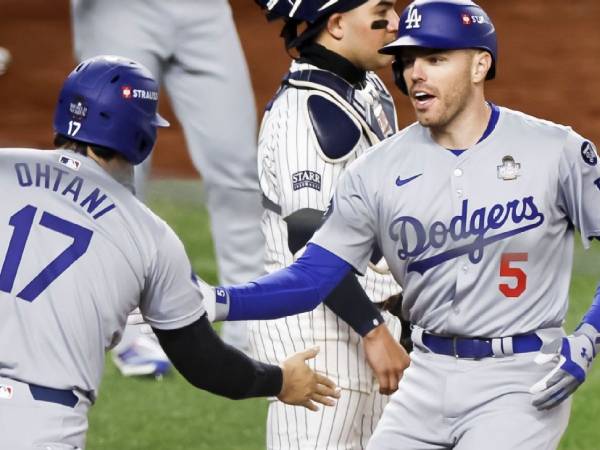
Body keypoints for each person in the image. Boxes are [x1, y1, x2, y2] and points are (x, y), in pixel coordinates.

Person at [204, 1, 600, 448]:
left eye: (435, 59)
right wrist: (219, 301)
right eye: (409, 60)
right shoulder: (376, 170)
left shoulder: (557, 150)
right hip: (424, 377)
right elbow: (312, 273)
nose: (416, 74)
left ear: (479, 65)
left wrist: (590, 335)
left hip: (519, 380)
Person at [0, 55, 340, 450]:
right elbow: (203, 361)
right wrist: (280, 381)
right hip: (41, 425)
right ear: (143, 135)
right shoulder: (149, 236)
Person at [69, 0, 260, 372]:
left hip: (206, 12)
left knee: (236, 162)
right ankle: (125, 324)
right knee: (114, 165)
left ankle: (249, 324)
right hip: (120, 11)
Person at [250, 0, 408, 448]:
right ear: (336, 25)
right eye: (383, 10)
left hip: (367, 323)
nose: (396, 23)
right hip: (320, 340)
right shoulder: (307, 114)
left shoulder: (366, 88)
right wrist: (374, 331)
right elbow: (311, 240)